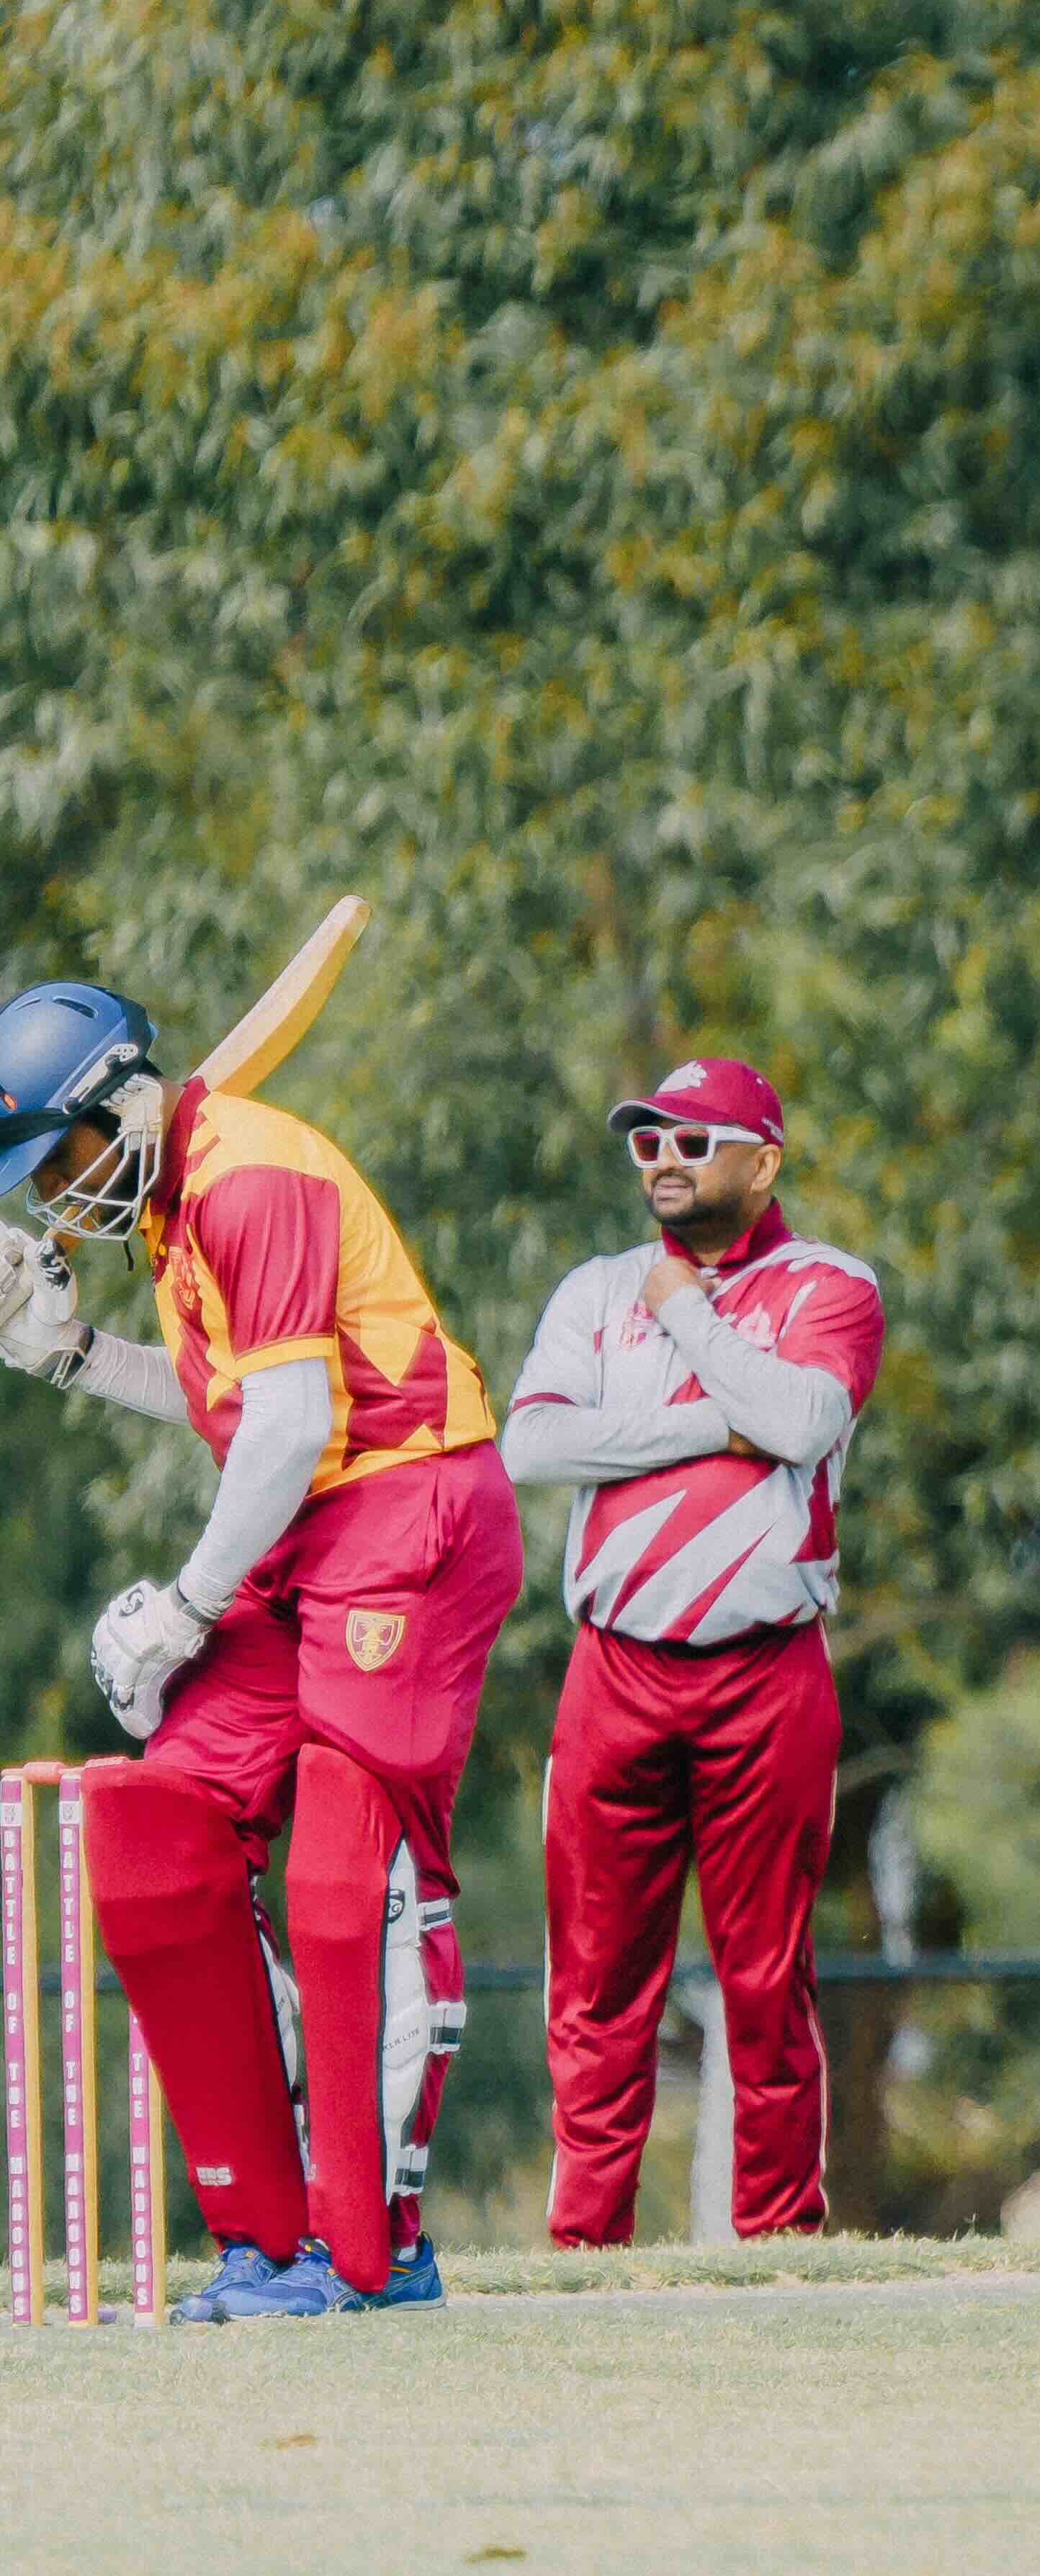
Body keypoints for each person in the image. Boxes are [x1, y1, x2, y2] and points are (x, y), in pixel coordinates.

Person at [0, 980, 517, 2318]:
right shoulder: (175, 1212)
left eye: (59, 1157)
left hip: (410, 1504)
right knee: (155, 1837)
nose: (54, 1194)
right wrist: (67, 1354)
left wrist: (183, 1608)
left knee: (346, 1867)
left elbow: (288, 1428)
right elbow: (221, 1402)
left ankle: (372, 2250)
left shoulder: (250, 1179)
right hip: (304, 1530)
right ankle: (267, 2240)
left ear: (126, 1105)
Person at [501, 1059, 883, 2245]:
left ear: (764, 1163)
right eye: (647, 1142)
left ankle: (777, 2244)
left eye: (692, 1141)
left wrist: (685, 1314)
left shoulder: (832, 1284)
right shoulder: (595, 1288)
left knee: (767, 1979)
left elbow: (801, 1422)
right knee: (597, 1981)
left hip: (766, 1672)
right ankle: (585, 2247)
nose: (664, 1161)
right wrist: (712, 1420)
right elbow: (532, 1445)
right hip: (614, 1670)